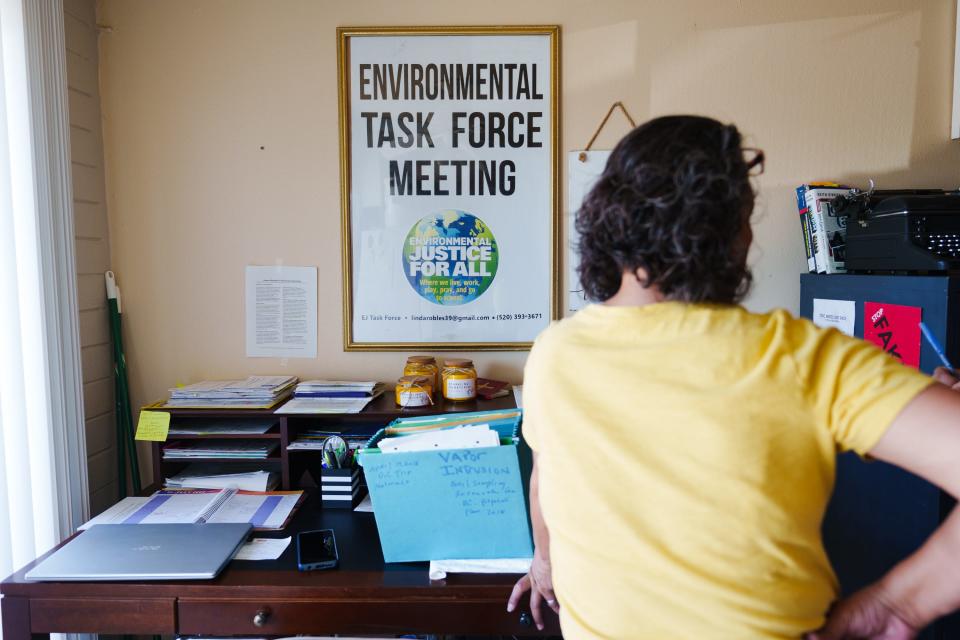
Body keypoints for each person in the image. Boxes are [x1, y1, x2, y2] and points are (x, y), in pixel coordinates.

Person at [506, 115, 960, 639]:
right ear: (736, 232)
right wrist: (896, 606)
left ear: (609, 222)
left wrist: (545, 564)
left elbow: (546, 478)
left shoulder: (555, 354)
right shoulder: (797, 357)